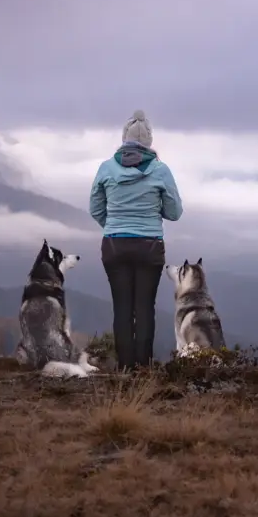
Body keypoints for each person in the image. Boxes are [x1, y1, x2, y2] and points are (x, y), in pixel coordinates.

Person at [89, 109, 183, 372]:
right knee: (144, 308)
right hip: (149, 247)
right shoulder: (160, 171)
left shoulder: (106, 168)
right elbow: (175, 213)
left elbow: (95, 208)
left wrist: (113, 227)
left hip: (115, 246)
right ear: (149, 141)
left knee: (122, 307)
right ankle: (144, 368)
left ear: (124, 139)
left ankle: (124, 368)